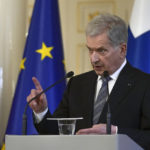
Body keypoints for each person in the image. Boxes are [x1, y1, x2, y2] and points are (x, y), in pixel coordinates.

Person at [27, 13, 150, 150]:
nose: (93, 59)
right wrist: (42, 112)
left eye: (101, 51)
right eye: (90, 50)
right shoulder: (77, 84)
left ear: (122, 49)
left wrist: (116, 132)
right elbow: (57, 133)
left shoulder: (145, 85)